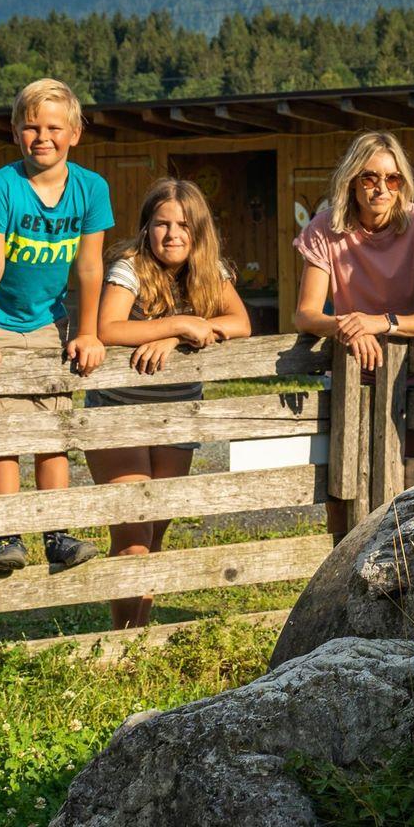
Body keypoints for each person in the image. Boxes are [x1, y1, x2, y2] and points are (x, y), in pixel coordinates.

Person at [0, 77, 111, 575]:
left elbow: (89, 266)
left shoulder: (91, 189)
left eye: (53, 128)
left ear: (75, 134)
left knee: (52, 427)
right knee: (2, 429)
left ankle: (56, 533)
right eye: (31, 127)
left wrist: (87, 332)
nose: (42, 137)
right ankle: (7, 535)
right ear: (15, 133)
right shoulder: (2, 186)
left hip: (49, 319)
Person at [86, 178, 251, 629]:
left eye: (183, 225)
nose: (172, 234)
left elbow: (240, 322)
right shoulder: (129, 268)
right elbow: (108, 328)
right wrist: (176, 325)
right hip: (119, 414)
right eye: (162, 224)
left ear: (199, 231)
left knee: (157, 528)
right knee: (133, 531)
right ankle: (123, 639)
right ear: (146, 227)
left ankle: (136, 635)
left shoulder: (210, 271)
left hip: (177, 416)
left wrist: (180, 334)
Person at [290, 131, 414, 536]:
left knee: (403, 480)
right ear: (351, 180)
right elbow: (305, 314)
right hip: (349, 374)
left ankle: (397, 565)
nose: (381, 188)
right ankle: (343, 562)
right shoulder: (325, 227)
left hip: (412, 375)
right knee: (340, 482)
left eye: (392, 178)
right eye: (369, 177)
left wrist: (380, 322)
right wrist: (349, 326)